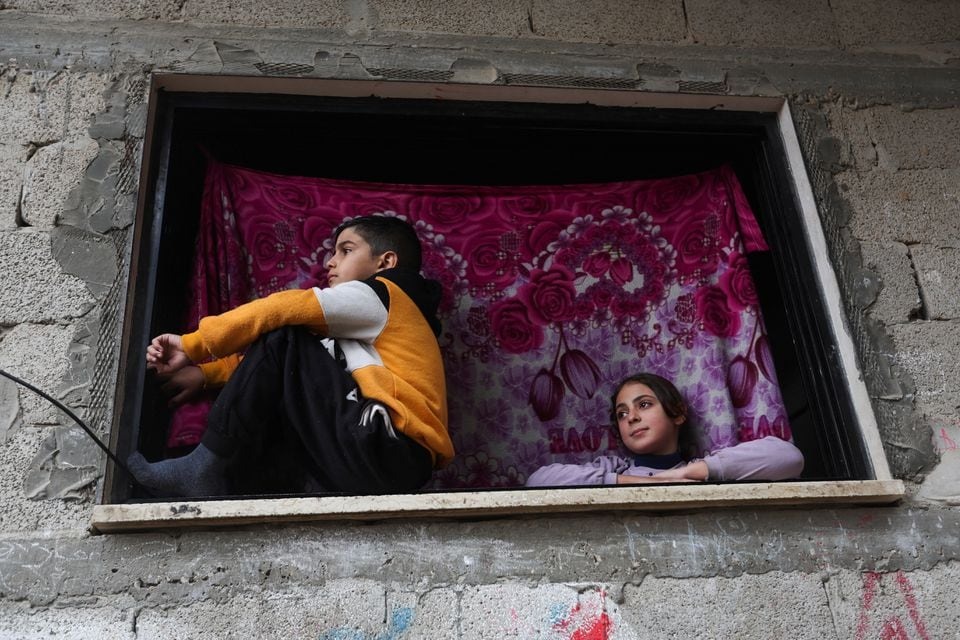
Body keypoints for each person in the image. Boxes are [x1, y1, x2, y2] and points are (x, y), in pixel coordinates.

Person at [128, 215, 453, 497]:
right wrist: (206, 375)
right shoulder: (362, 324)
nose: (331, 261)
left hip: (390, 447)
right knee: (286, 352)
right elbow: (283, 364)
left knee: (286, 329)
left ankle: (204, 466)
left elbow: (282, 310)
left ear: (385, 263)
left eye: (346, 250)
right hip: (381, 461)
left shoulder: (384, 293)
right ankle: (229, 482)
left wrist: (193, 345)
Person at [525, 372, 803, 487]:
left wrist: (688, 472)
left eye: (644, 405)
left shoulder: (702, 469)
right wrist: (638, 484)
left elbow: (789, 458)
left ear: (678, 414)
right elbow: (538, 481)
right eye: (622, 413)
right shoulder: (615, 470)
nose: (631, 417)